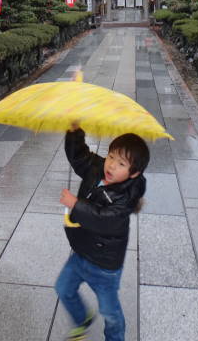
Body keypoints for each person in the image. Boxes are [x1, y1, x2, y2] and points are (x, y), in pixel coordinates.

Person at [56, 122, 150, 341]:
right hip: (81, 253)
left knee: (109, 312)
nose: (111, 166)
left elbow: (104, 220)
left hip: (105, 267)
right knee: (63, 288)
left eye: (121, 163)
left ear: (133, 173)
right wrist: (74, 131)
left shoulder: (125, 199)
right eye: (111, 157)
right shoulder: (98, 168)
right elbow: (79, 156)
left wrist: (76, 204)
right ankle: (82, 319)